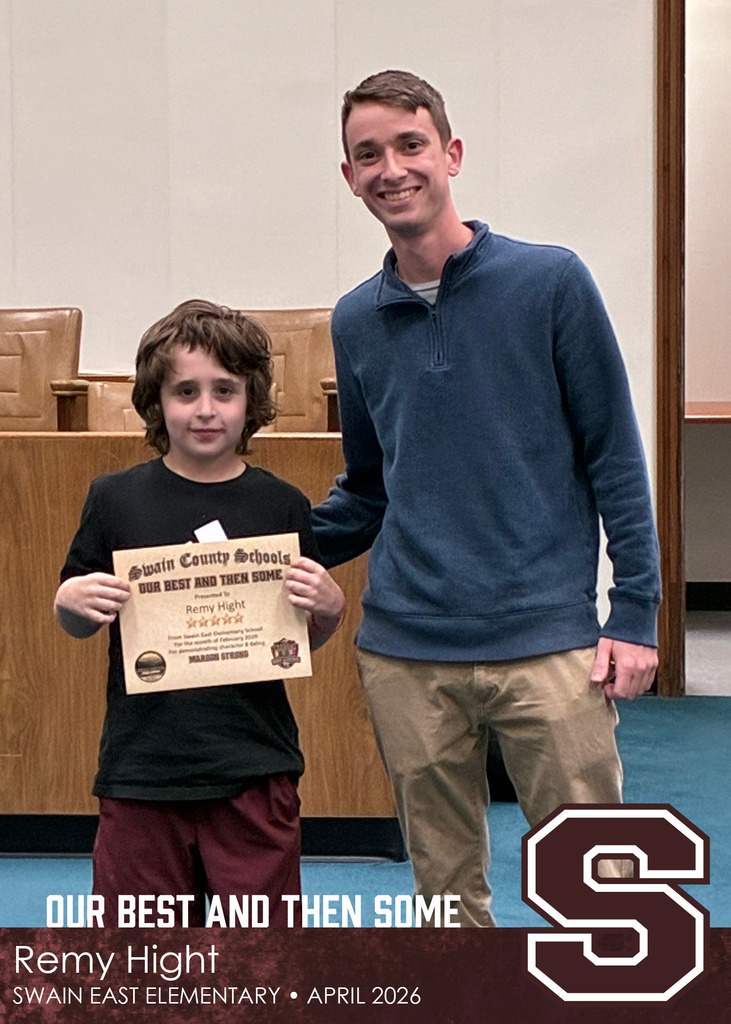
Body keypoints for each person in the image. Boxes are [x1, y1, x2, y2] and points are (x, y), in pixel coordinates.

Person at [312, 70, 661, 927]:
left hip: (547, 643)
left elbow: (613, 454)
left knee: (598, 889)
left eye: (408, 145)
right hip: (405, 651)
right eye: (367, 155)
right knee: (444, 899)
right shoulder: (355, 320)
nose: (390, 168)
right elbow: (366, 490)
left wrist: (635, 613)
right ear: (348, 177)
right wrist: (246, 549)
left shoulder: (549, 283)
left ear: (450, 153)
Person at [54, 299, 345, 927]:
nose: (206, 409)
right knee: (139, 963)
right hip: (143, 769)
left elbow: (303, 635)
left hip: (254, 765)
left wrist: (331, 609)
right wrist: (71, 602)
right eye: (185, 391)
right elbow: (76, 612)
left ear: (252, 401)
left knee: (263, 961)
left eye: (225, 390)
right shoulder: (114, 499)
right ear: (157, 402)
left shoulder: (283, 505)